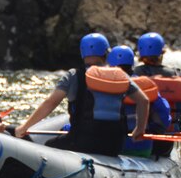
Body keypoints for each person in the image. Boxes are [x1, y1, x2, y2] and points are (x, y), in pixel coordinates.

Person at [14, 33, 148, 157]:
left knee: (49, 145)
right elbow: (144, 101)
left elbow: (51, 103)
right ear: (107, 53)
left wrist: (25, 127)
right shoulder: (120, 75)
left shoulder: (73, 76)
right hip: (115, 145)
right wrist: (139, 129)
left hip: (83, 142)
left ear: (82, 53)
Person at [133, 32, 181, 157]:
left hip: (137, 140)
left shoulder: (134, 75)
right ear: (162, 53)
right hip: (165, 144)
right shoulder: (176, 76)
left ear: (140, 53)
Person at [107, 45, 172, 158]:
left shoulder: (102, 85)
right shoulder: (145, 85)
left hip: (109, 146)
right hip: (142, 147)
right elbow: (164, 118)